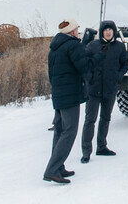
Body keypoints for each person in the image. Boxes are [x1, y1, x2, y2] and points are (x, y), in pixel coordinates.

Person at [44, 18, 91, 184]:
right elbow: (84, 67)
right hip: (70, 93)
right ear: (72, 31)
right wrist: (96, 57)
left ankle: (58, 167)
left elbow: (51, 73)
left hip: (58, 93)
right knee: (69, 131)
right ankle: (51, 170)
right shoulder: (73, 45)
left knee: (60, 129)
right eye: (77, 29)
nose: (78, 31)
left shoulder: (55, 47)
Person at [80, 20, 128, 164]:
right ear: (101, 32)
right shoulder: (92, 46)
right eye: (105, 30)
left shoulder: (119, 47)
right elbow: (84, 64)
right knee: (90, 120)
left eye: (110, 30)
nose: (108, 32)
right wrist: (89, 78)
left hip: (110, 89)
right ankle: (86, 152)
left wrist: (118, 77)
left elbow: (125, 63)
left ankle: (102, 147)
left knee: (105, 118)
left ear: (114, 31)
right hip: (93, 90)